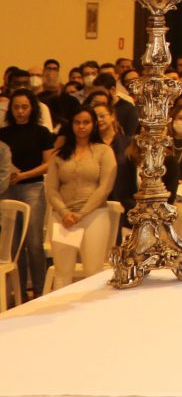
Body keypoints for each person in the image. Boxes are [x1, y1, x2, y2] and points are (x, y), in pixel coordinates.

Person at [43, 105, 117, 289]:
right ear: (72, 125)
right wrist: (64, 212)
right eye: (77, 122)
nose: (81, 126)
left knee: (93, 272)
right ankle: (60, 314)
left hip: (94, 215)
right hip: (63, 217)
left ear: (93, 125)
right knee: (62, 273)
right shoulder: (60, 154)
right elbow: (51, 188)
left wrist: (81, 214)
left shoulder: (104, 151)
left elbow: (104, 188)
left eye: (86, 122)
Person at [1, 88, 55, 299]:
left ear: (32, 108)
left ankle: (41, 292)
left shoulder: (41, 132)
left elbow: (48, 164)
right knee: (13, 245)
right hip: (8, 188)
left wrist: (22, 176)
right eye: (16, 107)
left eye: (24, 107)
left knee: (33, 242)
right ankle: (20, 293)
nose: (20, 112)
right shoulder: (3, 133)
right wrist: (10, 173)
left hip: (33, 187)